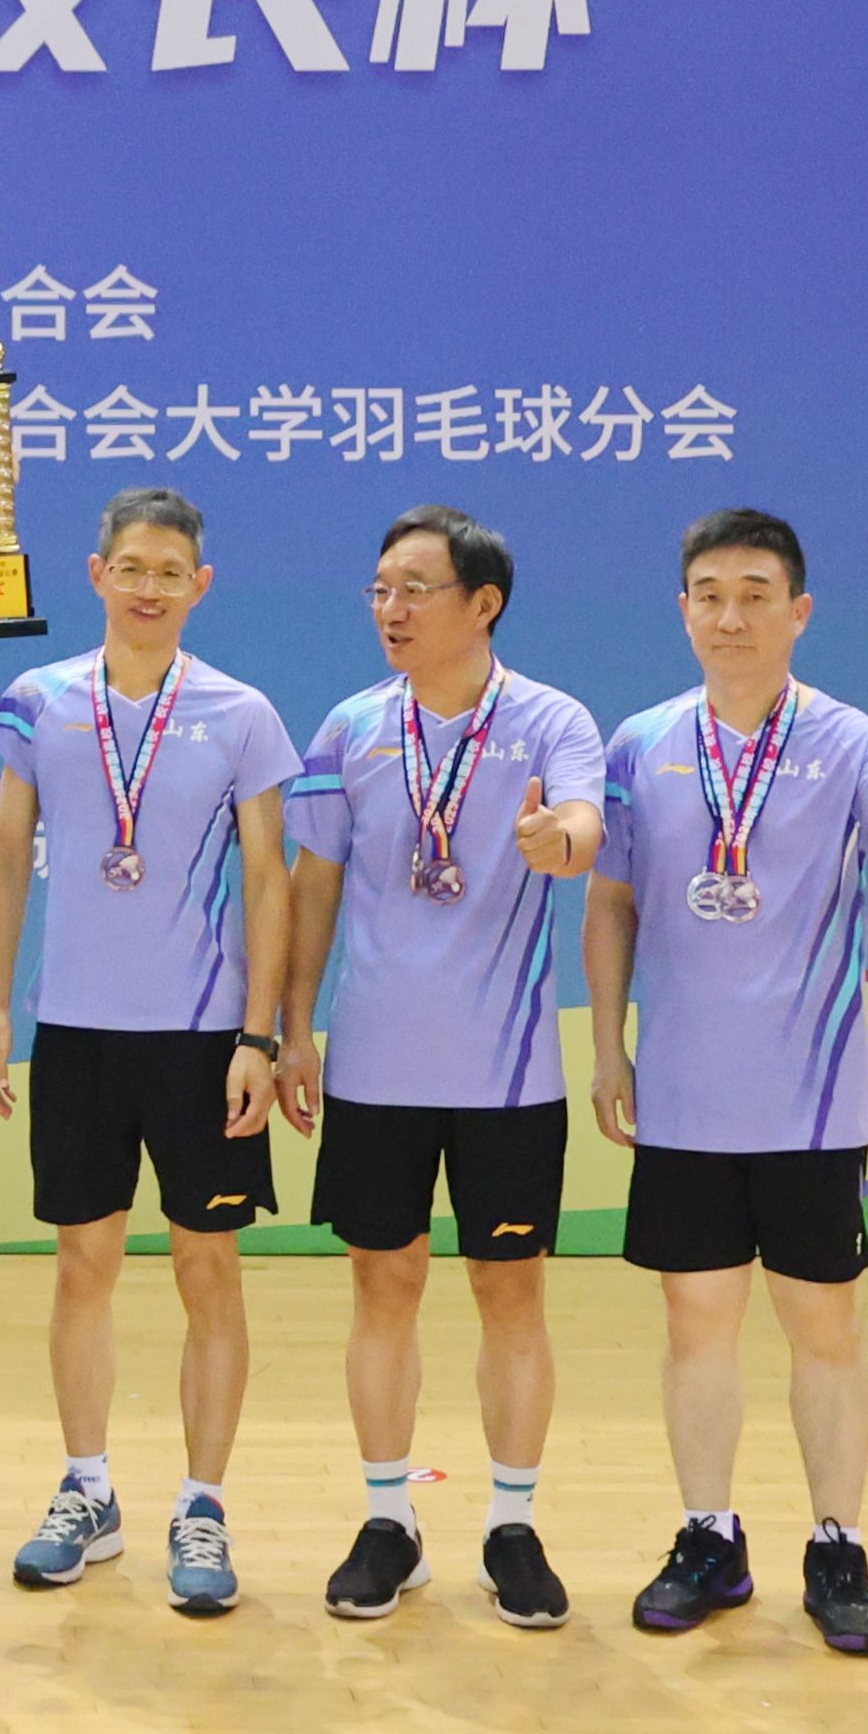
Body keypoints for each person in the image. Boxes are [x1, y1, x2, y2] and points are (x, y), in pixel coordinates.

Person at [581, 506, 868, 1653]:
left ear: (799, 611)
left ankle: (838, 1546)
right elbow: (612, 900)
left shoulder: (849, 739)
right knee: (695, 1322)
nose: (730, 616)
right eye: (709, 594)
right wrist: (607, 1047)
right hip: (684, 1098)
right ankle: (710, 1534)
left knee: (823, 1327)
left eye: (755, 594)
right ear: (683, 609)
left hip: (812, 1101)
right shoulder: (641, 742)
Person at [0, 488, 299, 1613]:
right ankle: (88, 1487)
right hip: (77, 1033)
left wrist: (259, 1033)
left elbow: (269, 878)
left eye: (170, 571)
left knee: (208, 1267)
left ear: (198, 585)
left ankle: (202, 1504)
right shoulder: (38, 700)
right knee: (83, 1263)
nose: (148, 587)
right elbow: (5, 851)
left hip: (202, 1041)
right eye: (131, 567)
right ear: (96, 574)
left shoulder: (241, 712)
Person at [275, 504, 607, 1627]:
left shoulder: (551, 719)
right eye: (380, 589)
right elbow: (313, 885)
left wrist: (558, 840)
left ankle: (512, 1525)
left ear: (483, 603)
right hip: (374, 1069)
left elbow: (583, 823)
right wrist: (292, 1027)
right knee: (384, 1286)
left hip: (507, 1076)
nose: (392, 608)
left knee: (510, 1291)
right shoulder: (350, 728)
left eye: (415, 588)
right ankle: (388, 1521)